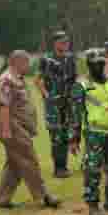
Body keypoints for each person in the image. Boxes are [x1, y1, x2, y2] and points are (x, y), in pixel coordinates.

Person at [0, 50, 61, 211]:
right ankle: (43, 195)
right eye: (26, 63)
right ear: (17, 62)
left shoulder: (18, 79)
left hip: (18, 126)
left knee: (14, 164)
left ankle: (2, 199)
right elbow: (4, 106)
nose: (29, 66)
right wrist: (6, 130)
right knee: (29, 160)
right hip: (12, 127)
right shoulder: (7, 80)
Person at [74, 48, 108, 215]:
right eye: (95, 64)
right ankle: (93, 205)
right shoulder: (81, 85)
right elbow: (76, 114)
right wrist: (73, 139)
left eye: (101, 63)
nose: (99, 67)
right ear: (89, 66)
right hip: (95, 133)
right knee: (93, 170)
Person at [37, 30, 78, 178]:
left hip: (68, 101)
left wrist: (75, 96)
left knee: (66, 133)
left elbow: (74, 79)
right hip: (53, 103)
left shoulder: (70, 58)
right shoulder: (46, 59)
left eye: (67, 42)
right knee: (56, 135)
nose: (66, 45)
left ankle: (64, 166)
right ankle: (58, 168)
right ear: (55, 43)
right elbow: (39, 80)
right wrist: (47, 96)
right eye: (62, 42)